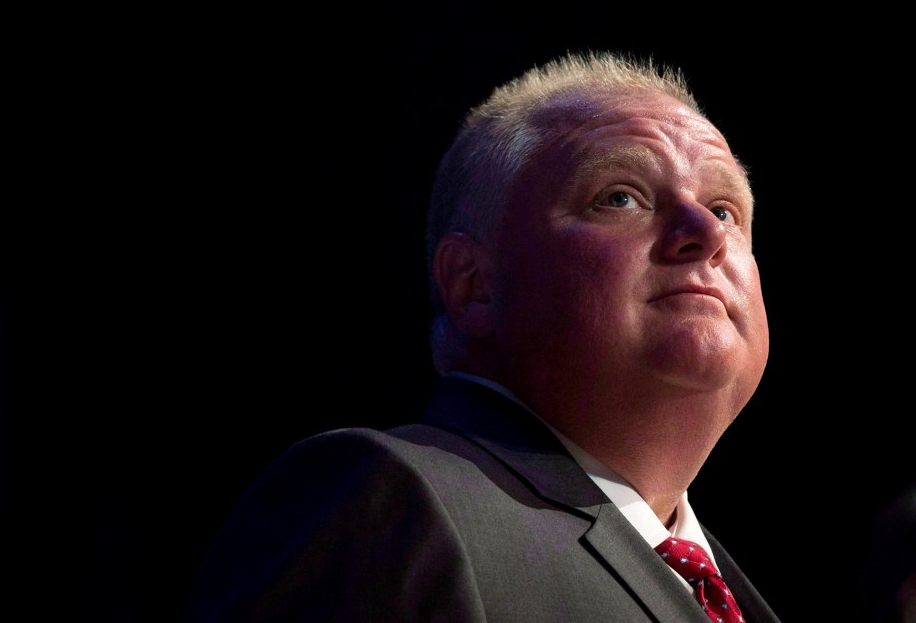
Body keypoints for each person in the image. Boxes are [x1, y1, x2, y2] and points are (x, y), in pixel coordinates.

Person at [185, 50, 780, 622]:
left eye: (725, 209)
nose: (705, 232)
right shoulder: (385, 505)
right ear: (474, 286)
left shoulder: (728, 593)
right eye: (620, 197)